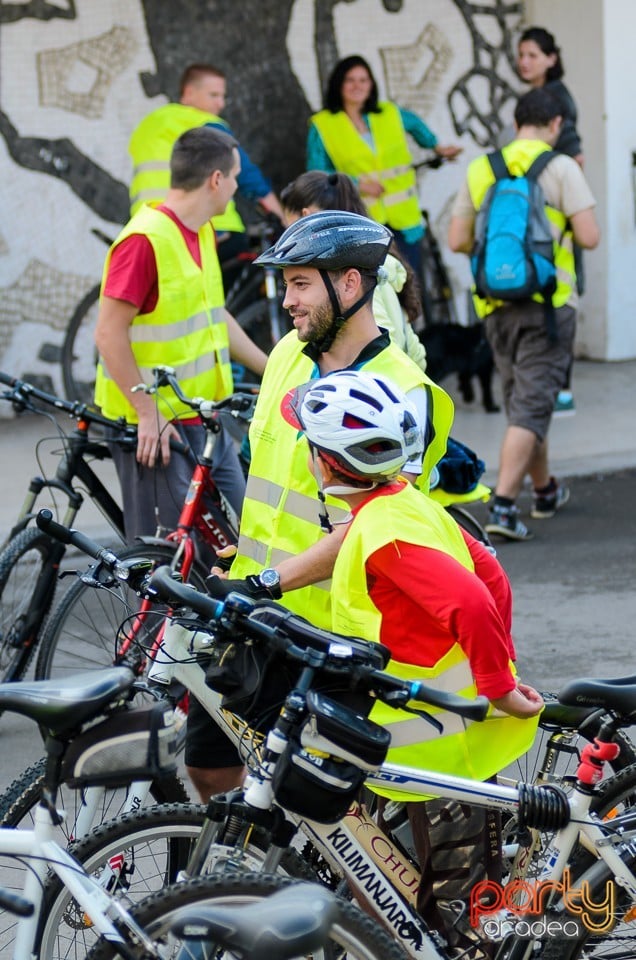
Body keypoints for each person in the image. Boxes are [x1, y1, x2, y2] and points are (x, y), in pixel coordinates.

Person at [192, 210, 454, 804]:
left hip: (331, 631)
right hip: (257, 606)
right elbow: (276, 478)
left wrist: (267, 579)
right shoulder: (289, 352)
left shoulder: (404, 391)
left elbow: (375, 525)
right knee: (208, 765)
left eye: (300, 283)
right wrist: (247, 552)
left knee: (321, 812)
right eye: (286, 284)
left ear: (351, 285)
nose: (286, 300)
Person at [284, 368, 543, 955]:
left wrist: (496, 683)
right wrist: (493, 665)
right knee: (439, 887)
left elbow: (473, 598)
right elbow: (491, 574)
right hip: (437, 729)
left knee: (460, 918)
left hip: (439, 746)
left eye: (307, 442)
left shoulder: (383, 534)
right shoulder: (402, 502)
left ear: (327, 464)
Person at [94, 125, 267, 548]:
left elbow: (214, 316)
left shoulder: (201, 229)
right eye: (235, 176)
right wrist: (146, 409)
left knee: (252, 535)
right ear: (215, 180)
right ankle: (156, 620)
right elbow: (108, 332)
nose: (237, 187)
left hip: (204, 417)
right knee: (167, 559)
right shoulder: (144, 241)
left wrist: (274, 367)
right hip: (161, 427)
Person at [448, 88, 600, 541]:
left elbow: (457, 239)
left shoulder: (482, 168)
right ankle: (506, 505)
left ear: (517, 123)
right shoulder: (561, 167)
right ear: (555, 125)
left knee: (524, 403)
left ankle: (545, 489)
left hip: (495, 306)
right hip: (548, 307)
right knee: (532, 406)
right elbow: (589, 237)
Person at [128, 62, 284, 285]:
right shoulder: (205, 123)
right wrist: (283, 220)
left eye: (223, 96)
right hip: (209, 227)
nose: (220, 104)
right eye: (214, 95)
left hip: (147, 228)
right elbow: (248, 178)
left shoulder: (147, 124)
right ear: (189, 92)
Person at [306, 54, 462, 276]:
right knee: (375, 290)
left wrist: (436, 147)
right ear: (338, 84)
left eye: (363, 80)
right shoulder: (323, 125)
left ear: (371, 84)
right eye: (350, 80)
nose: (357, 86)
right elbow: (317, 174)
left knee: (408, 287)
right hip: (362, 222)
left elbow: (416, 125)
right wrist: (356, 184)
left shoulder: (389, 113)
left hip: (404, 220)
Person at [280, 170, 427, 371]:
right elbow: (415, 353)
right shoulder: (377, 265)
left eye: (302, 284)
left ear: (307, 218)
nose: (288, 301)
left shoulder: (357, 276)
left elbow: (381, 350)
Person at [517, 26, 585, 415]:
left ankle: (561, 390)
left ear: (551, 58)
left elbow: (576, 158)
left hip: (554, 225)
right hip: (541, 223)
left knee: (560, 297)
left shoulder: (556, 99)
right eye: (521, 54)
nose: (524, 61)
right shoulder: (536, 96)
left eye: (532, 55)